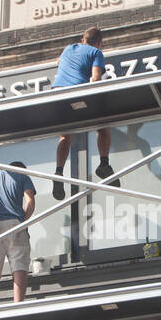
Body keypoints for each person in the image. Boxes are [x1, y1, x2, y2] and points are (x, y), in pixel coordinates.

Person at [51, 26, 115, 200]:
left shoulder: (67, 49)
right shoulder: (95, 52)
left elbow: (59, 62)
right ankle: (104, 164)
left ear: (82, 39)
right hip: (76, 96)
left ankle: (58, 172)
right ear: (99, 42)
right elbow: (95, 79)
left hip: (57, 95)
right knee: (103, 127)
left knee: (66, 135)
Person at [0, 161, 36, 304]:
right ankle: (18, 304)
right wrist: (23, 220)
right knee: (19, 266)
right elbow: (30, 202)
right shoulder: (23, 177)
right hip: (14, 224)